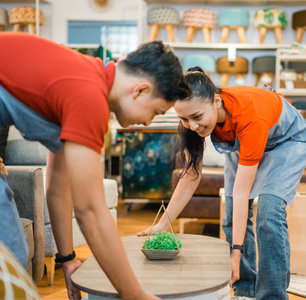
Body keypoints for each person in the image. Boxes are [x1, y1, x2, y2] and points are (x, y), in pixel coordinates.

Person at [0, 33, 190, 300]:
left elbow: (57, 187)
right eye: (156, 112)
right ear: (140, 90)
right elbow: (89, 210)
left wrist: (66, 259)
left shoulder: (87, 78)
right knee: (12, 258)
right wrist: (134, 294)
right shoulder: (90, 95)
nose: (148, 123)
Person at [138, 67, 306, 300]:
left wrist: (236, 252)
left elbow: (243, 193)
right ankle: (245, 289)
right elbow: (190, 176)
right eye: (184, 119)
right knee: (231, 212)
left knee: (269, 212)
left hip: (286, 141)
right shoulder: (194, 118)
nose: (192, 126)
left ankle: (272, 296)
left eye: (198, 117)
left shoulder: (250, 117)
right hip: (245, 141)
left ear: (217, 102)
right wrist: (163, 223)